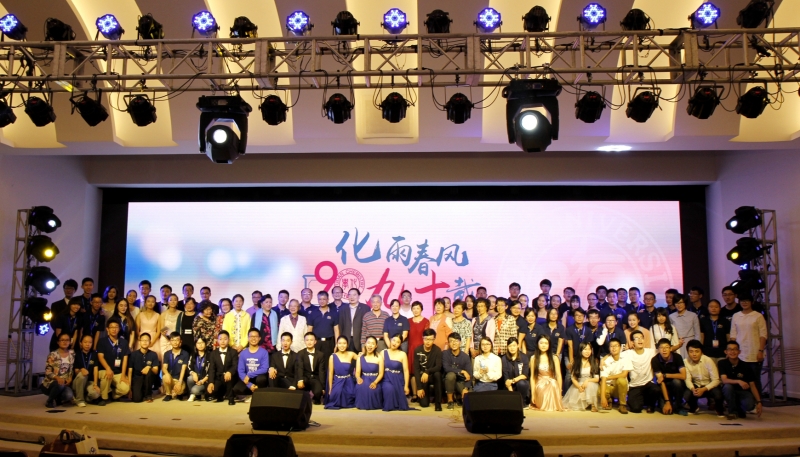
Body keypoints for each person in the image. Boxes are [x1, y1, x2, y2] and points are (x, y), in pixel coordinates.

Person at [729, 294, 767, 395]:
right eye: (742, 301)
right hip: (740, 353)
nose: (744, 303)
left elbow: (763, 335)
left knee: (755, 379)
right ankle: (745, 400)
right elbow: (733, 335)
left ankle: (757, 401)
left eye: (747, 301)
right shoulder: (736, 316)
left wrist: (760, 350)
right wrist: (731, 351)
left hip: (754, 352)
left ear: (751, 302)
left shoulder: (758, 316)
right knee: (740, 378)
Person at [718, 341, 763, 420]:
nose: (732, 352)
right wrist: (739, 381)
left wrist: (759, 402)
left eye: (735, 349)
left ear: (739, 351)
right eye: (730, 349)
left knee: (749, 405)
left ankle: (739, 408)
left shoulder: (746, 366)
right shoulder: (722, 363)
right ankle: (733, 412)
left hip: (743, 391)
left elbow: (752, 385)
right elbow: (724, 380)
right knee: (728, 387)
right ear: (726, 352)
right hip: (729, 390)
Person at [684, 339, 724, 416]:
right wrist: (693, 389)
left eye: (697, 351)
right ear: (688, 352)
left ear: (701, 352)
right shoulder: (686, 362)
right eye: (691, 351)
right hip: (696, 385)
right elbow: (688, 380)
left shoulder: (708, 360)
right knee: (686, 394)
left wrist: (704, 389)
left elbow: (716, 380)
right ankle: (694, 407)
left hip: (709, 385)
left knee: (718, 394)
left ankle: (719, 408)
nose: (694, 354)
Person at [95, 319, 131, 405]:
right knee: (106, 374)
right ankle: (104, 397)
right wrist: (108, 368)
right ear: (107, 329)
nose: (114, 329)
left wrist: (123, 375)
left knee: (125, 388)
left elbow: (125, 359)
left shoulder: (123, 342)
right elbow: (100, 357)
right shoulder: (102, 341)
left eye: (116, 327)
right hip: (105, 370)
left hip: (118, 372)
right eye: (111, 327)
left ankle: (113, 394)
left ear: (119, 329)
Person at [624, 330, 659, 414]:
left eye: (641, 338)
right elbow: (614, 354)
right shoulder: (628, 353)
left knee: (656, 389)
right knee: (635, 409)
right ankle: (641, 400)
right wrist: (603, 359)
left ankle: (651, 405)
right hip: (635, 385)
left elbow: (664, 350)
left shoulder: (651, 352)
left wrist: (678, 345)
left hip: (648, 384)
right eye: (636, 338)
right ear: (632, 342)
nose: (640, 340)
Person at [652, 338, 688, 416]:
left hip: (676, 385)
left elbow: (683, 376)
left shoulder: (677, 357)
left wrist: (666, 375)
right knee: (666, 411)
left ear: (671, 348)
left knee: (677, 382)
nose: (664, 350)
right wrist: (667, 401)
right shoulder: (655, 360)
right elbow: (661, 381)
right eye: (661, 348)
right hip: (663, 386)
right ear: (658, 349)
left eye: (667, 347)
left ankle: (679, 406)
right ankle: (668, 402)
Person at [233, 328, 271, 401]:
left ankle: (259, 395)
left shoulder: (264, 352)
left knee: (261, 379)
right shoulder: (243, 353)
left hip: (258, 377)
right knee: (237, 389)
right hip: (247, 379)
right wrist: (249, 385)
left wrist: (250, 375)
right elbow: (241, 371)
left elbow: (264, 369)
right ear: (248, 338)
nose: (253, 338)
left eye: (256, 336)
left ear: (259, 338)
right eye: (251, 336)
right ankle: (252, 392)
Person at [530, 334, 565, 411]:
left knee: (553, 384)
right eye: (541, 343)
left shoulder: (554, 358)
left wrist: (559, 391)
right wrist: (533, 394)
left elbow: (559, 376)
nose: (543, 345)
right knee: (542, 389)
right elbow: (532, 377)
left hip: (552, 382)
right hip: (540, 383)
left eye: (546, 343)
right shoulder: (533, 358)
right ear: (537, 344)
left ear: (549, 345)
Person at [562, 342, 599, 412]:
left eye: (589, 349)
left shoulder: (594, 361)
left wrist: (588, 380)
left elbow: (597, 379)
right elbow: (573, 378)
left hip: (590, 382)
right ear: (581, 350)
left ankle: (593, 405)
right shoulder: (575, 362)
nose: (587, 351)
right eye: (585, 349)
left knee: (590, 385)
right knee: (573, 404)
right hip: (579, 383)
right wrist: (579, 387)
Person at [42, 332, 75, 408]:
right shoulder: (53, 355)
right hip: (51, 382)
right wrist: (57, 378)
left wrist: (70, 378)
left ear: (70, 342)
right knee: (60, 384)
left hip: (65, 382)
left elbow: (72, 369)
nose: (65, 342)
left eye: (67, 340)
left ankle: (57, 398)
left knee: (68, 395)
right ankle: (49, 401)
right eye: (62, 340)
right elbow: (48, 372)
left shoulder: (72, 354)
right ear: (58, 342)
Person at [413, 329, 443, 410]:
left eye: (430, 339)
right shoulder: (417, 350)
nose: (428, 341)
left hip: (432, 376)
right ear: (422, 338)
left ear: (434, 339)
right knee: (424, 404)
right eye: (426, 339)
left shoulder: (437, 350)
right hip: (423, 379)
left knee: (437, 374)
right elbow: (416, 369)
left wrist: (427, 372)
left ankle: (438, 403)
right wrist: (419, 388)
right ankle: (425, 395)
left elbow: (438, 366)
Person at [599, 338, 631, 414]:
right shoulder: (605, 361)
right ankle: (609, 400)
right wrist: (602, 398)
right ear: (609, 348)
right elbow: (603, 379)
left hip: (618, 387)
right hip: (608, 386)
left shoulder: (626, 358)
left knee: (622, 380)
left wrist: (608, 377)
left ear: (620, 347)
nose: (613, 348)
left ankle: (622, 404)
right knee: (599, 391)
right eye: (611, 346)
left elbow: (624, 374)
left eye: (616, 346)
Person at [325, 336, 357, 409]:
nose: (342, 345)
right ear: (337, 344)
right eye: (340, 343)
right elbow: (330, 373)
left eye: (344, 343)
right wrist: (330, 388)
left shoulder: (351, 354)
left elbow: (363, 360)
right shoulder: (332, 356)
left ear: (347, 344)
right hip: (337, 380)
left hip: (349, 381)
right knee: (335, 395)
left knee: (351, 396)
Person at [207, 330, 238, 405]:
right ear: (217, 340)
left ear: (228, 340)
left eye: (225, 339)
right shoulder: (213, 353)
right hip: (219, 377)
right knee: (211, 391)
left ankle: (231, 398)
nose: (223, 341)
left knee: (229, 379)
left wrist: (229, 372)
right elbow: (212, 369)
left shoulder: (233, 352)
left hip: (230, 377)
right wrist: (211, 382)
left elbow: (235, 365)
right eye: (220, 339)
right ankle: (220, 396)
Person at [406, 301, 429, 400]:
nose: (415, 310)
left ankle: (423, 393)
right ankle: (415, 394)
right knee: (412, 372)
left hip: (422, 349)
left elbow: (427, 337)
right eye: (414, 308)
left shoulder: (426, 321)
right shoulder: (408, 321)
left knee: (422, 370)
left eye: (418, 308)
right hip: (411, 349)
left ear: (421, 309)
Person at [443, 333, 472, 410]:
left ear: (460, 342)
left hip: (460, 381)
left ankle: (458, 396)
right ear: (448, 343)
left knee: (470, 399)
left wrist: (466, 388)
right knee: (451, 375)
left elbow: (469, 374)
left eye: (456, 341)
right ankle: (450, 401)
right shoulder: (445, 354)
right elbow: (446, 368)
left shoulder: (465, 357)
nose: (454, 343)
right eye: (451, 341)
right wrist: (462, 371)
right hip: (448, 381)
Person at [381, 334, 410, 411]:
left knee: (401, 401)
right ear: (390, 340)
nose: (395, 343)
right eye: (394, 340)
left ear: (400, 344)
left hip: (398, 379)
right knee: (389, 389)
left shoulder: (402, 354)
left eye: (398, 342)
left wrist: (406, 386)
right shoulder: (383, 352)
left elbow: (406, 371)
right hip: (386, 378)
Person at [308, 291, 339, 359]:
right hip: (316, 342)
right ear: (317, 300)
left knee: (329, 362)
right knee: (316, 362)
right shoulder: (313, 313)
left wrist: (337, 344)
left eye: (324, 299)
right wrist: (309, 342)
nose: (322, 301)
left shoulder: (334, 313)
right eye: (320, 299)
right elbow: (309, 330)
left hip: (329, 343)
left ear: (328, 300)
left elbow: (336, 330)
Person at [355, 336, 385, 410]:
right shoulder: (360, 357)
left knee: (372, 389)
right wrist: (358, 378)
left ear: (376, 346)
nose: (370, 345)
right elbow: (357, 372)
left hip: (375, 379)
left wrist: (375, 382)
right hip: (364, 378)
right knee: (361, 386)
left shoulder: (379, 357)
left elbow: (381, 373)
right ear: (365, 344)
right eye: (368, 343)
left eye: (373, 344)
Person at [297, 332, 326, 404]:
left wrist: (323, 387)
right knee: (299, 396)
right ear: (304, 341)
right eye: (307, 340)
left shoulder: (320, 355)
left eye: (311, 340)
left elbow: (321, 372)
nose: (309, 342)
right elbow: (300, 368)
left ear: (315, 341)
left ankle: (315, 398)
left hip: (315, 378)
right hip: (305, 378)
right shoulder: (300, 353)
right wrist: (300, 380)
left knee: (318, 393)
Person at [338, 288, 370, 353]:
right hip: (346, 341)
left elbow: (368, 326)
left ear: (359, 296)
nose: (351, 297)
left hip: (360, 340)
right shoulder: (342, 308)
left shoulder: (366, 308)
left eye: (354, 295)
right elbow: (340, 326)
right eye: (350, 295)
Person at [669, 293, 701, 360]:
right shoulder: (671, 316)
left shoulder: (693, 315)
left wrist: (697, 346)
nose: (679, 305)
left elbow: (697, 333)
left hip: (690, 342)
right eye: (677, 303)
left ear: (685, 303)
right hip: (677, 342)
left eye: (681, 303)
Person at [72, 334, 101, 407]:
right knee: (82, 375)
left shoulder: (94, 354)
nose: (87, 344)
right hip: (78, 382)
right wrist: (81, 370)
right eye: (85, 342)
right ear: (81, 343)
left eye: (90, 342)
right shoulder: (77, 353)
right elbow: (76, 371)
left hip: (89, 382)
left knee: (95, 394)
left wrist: (95, 384)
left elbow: (95, 370)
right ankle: (80, 400)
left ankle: (86, 398)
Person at [130, 332, 159, 403]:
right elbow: (130, 371)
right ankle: (141, 391)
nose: (145, 342)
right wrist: (129, 388)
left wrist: (149, 367)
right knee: (137, 399)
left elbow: (156, 371)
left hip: (148, 378)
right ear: (139, 342)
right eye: (143, 340)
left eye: (147, 340)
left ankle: (148, 395)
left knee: (149, 372)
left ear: (150, 342)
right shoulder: (133, 354)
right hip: (137, 378)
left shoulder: (153, 354)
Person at [502, 337, 531, 405]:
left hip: (521, 384)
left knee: (521, 383)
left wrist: (513, 380)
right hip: (509, 385)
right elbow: (506, 377)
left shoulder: (524, 357)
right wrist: (513, 396)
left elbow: (525, 375)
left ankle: (522, 402)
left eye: (514, 345)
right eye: (510, 346)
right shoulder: (504, 358)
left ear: (518, 346)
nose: (512, 348)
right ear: (507, 347)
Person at [162, 331, 189, 401]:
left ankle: (178, 393)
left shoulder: (185, 354)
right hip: (170, 379)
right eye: (173, 340)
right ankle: (168, 394)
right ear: (170, 342)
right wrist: (167, 374)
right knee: (165, 377)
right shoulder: (167, 354)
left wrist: (179, 382)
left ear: (180, 341)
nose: (175, 342)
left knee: (179, 391)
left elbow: (183, 369)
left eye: (177, 340)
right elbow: (164, 367)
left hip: (179, 380)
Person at [566, 308, 593, 374]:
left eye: (581, 315)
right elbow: (570, 346)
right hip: (571, 355)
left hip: (583, 355)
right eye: (577, 315)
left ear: (584, 317)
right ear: (573, 317)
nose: (579, 317)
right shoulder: (569, 329)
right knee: (570, 373)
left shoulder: (588, 330)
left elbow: (588, 346)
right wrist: (571, 360)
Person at [135, 295, 162, 361]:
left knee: (153, 358)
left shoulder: (158, 315)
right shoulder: (140, 315)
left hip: (153, 338)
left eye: (153, 302)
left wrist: (152, 342)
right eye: (148, 301)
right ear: (145, 303)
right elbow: (137, 329)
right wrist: (140, 339)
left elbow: (159, 331)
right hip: (142, 338)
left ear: (155, 303)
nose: (150, 303)